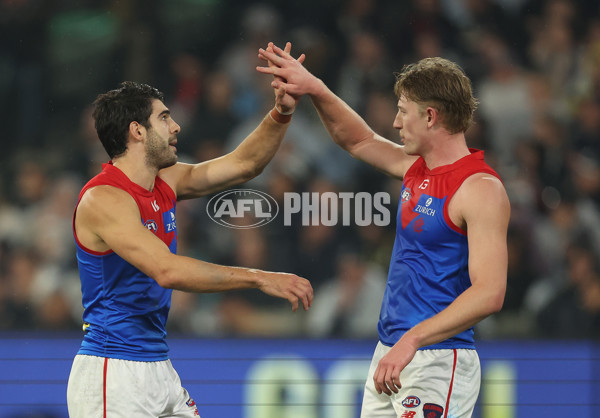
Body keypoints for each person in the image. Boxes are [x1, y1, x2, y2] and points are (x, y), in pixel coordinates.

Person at [257, 43, 510, 417]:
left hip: (437, 359)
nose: (394, 123)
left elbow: (490, 293)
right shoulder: (416, 170)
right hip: (391, 353)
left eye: (402, 111)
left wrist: (413, 339)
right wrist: (315, 88)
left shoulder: (480, 189)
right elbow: (356, 139)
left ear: (430, 116)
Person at [66, 43, 313, 417]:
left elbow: (244, 164)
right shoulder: (104, 199)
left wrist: (281, 112)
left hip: (156, 365)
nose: (176, 125)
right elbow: (167, 270)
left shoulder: (166, 180)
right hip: (111, 372)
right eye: (164, 118)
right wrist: (258, 277)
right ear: (137, 131)